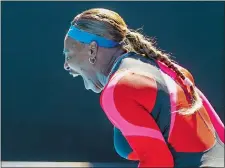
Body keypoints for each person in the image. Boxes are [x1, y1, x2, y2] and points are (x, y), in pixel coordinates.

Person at [63, 8, 224, 167]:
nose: (65, 65)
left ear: (92, 50)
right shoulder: (169, 69)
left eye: (68, 55)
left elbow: (158, 162)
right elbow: (221, 135)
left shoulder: (119, 88)